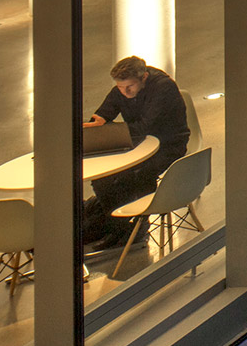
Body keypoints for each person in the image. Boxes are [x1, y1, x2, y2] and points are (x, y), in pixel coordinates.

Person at [81, 56, 189, 250]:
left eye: (129, 87)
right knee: (103, 178)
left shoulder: (163, 88)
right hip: (138, 145)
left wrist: (114, 130)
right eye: (120, 87)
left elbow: (146, 126)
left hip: (169, 145)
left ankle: (136, 225)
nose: (124, 92)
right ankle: (120, 228)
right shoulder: (122, 90)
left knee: (132, 175)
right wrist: (99, 121)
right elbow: (104, 114)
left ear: (144, 77)